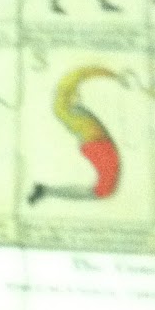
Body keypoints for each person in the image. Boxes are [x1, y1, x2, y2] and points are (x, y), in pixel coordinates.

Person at [27, 65, 121, 205]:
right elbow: (84, 72)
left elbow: (83, 74)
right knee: (104, 189)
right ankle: (46, 191)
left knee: (104, 188)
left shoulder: (67, 108)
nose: (78, 96)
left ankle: (47, 191)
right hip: (97, 145)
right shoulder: (66, 106)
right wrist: (113, 74)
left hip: (96, 145)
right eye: (75, 94)